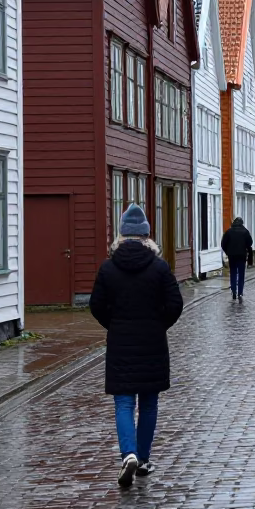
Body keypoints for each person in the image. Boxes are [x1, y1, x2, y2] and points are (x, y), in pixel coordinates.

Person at [89, 204, 184, 487]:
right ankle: (142, 459)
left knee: (123, 402)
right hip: (153, 342)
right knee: (149, 403)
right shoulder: (159, 267)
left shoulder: (108, 267)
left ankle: (127, 453)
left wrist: (115, 325)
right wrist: (158, 325)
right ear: (146, 236)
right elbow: (175, 304)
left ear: (121, 235)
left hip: (120, 343)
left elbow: (96, 305)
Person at [220, 216, 253, 302]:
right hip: (242, 255)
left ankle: (233, 290)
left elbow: (223, 243)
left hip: (232, 256)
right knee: (241, 274)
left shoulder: (229, 232)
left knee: (233, 272)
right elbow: (250, 243)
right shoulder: (245, 232)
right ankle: (240, 292)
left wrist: (227, 251)